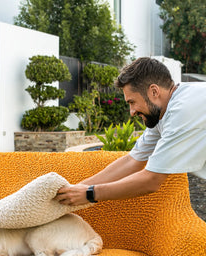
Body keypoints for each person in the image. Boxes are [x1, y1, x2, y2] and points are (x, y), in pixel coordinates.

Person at [55, 57, 206, 205]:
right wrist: (75, 189)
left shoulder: (182, 111)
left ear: (154, 91)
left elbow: (151, 181)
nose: (132, 112)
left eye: (132, 102)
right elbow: (133, 161)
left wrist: (90, 193)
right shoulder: (162, 111)